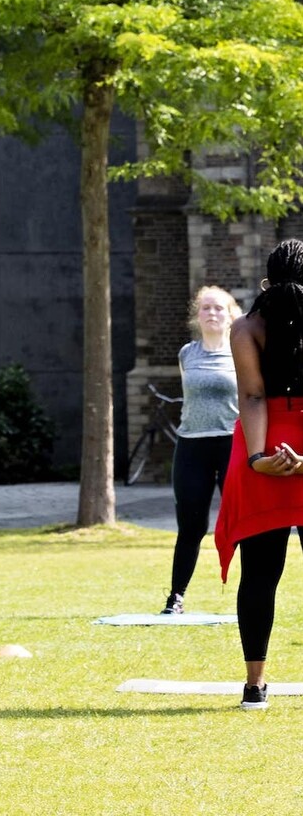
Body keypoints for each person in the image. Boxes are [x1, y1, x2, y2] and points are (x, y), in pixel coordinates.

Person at [215, 239, 303, 709]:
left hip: (260, 442)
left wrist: (258, 459)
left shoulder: (245, 327)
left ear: (267, 277)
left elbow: (251, 397)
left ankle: (254, 687)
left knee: (260, 575)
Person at [160, 285, 241, 616]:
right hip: (192, 444)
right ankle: (176, 597)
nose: (212, 313)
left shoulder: (241, 351)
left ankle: (250, 595)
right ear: (197, 314)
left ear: (230, 315)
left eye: (219, 308)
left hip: (232, 443)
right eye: (206, 308)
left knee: (242, 523)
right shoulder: (186, 354)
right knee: (191, 526)